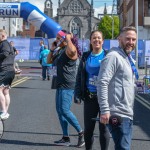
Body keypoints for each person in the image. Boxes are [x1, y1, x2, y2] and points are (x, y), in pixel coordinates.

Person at [97, 26, 138, 150]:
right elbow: (102, 82)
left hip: (127, 112)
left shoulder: (128, 58)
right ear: (119, 39)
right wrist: (104, 110)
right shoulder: (113, 56)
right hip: (118, 112)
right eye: (128, 39)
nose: (131, 42)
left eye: (133, 39)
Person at [47, 30, 85, 147]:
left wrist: (68, 38)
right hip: (59, 84)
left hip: (68, 84)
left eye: (59, 38)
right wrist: (52, 49)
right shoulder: (60, 50)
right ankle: (65, 137)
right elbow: (49, 61)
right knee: (60, 111)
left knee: (65, 110)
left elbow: (73, 50)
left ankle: (81, 133)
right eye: (57, 38)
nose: (57, 40)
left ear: (65, 38)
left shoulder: (70, 50)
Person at [74, 30, 110, 150]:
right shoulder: (85, 56)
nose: (96, 40)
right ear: (90, 41)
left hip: (105, 98)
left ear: (103, 41)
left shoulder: (108, 55)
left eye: (99, 38)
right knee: (88, 129)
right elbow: (80, 75)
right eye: (94, 38)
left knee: (103, 128)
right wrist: (77, 94)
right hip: (90, 97)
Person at [0, 29, 15, 120]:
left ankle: (4, 111)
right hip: (9, 70)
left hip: (5, 70)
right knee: (5, 91)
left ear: (2, 36)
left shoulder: (4, 44)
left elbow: (5, 54)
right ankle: (5, 112)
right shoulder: (9, 44)